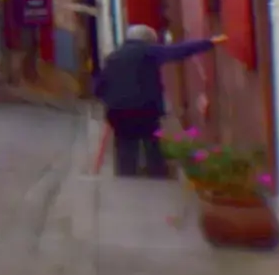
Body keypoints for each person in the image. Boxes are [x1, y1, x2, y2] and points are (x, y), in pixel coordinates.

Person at [93, 24, 225, 178]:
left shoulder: (113, 57)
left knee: (125, 145)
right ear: (149, 40)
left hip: (118, 110)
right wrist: (209, 43)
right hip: (145, 108)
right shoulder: (149, 51)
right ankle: (156, 176)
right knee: (151, 143)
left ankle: (126, 179)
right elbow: (178, 51)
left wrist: (110, 100)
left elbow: (99, 85)